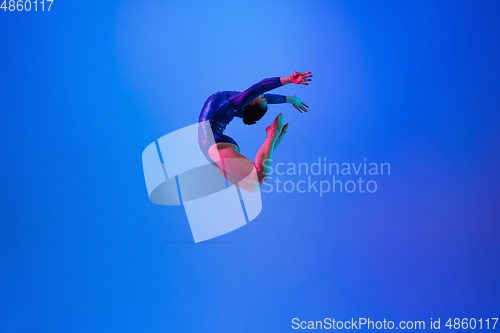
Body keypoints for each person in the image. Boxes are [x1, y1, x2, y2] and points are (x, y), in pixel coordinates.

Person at [198, 71, 312, 192]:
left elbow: (262, 85)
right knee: (253, 186)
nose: (263, 95)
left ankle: (273, 135)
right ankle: (272, 141)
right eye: (263, 97)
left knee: (257, 179)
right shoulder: (240, 106)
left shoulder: (235, 102)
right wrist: (291, 99)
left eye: (261, 97)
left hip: (213, 143)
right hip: (212, 145)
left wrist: (290, 79)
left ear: (252, 101)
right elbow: (267, 97)